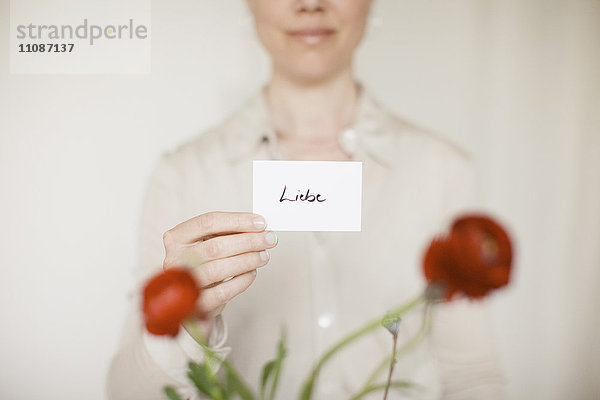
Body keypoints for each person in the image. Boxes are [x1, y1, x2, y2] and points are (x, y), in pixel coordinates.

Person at [107, 0, 507, 399]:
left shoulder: (443, 170)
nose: (311, 4)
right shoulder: (183, 175)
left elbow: (471, 375)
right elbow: (127, 393)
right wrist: (180, 328)